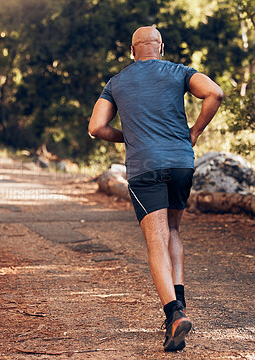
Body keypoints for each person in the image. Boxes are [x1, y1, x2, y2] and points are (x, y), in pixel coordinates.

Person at [88, 26, 223, 351]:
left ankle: (174, 314)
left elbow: (96, 127)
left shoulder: (117, 82)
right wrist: (194, 132)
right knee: (173, 231)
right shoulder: (180, 72)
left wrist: (129, 136)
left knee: (156, 239)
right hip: (180, 163)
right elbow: (215, 93)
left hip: (145, 166)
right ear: (160, 47)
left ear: (132, 51)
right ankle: (180, 306)